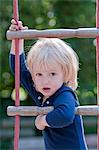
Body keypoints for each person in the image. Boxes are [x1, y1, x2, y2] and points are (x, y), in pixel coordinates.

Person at [9, 19, 88, 150]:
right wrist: (18, 40)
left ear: (65, 73)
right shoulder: (40, 92)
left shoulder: (64, 94)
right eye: (39, 74)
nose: (45, 81)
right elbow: (19, 70)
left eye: (52, 74)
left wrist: (42, 121)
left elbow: (65, 115)